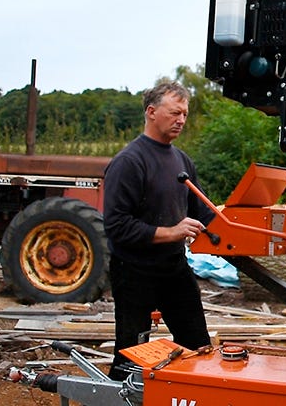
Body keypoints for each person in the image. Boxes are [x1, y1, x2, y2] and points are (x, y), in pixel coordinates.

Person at [103, 81, 214, 380]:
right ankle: (118, 397)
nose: (181, 120)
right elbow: (116, 226)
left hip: (173, 267)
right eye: (174, 112)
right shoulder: (129, 162)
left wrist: (232, 220)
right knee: (131, 350)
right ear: (151, 112)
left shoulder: (181, 160)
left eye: (185, 114)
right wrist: (171, 232)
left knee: (197, 343)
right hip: (134, 270)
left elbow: (203, 211)